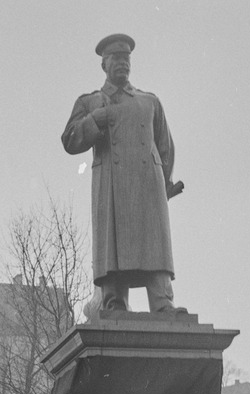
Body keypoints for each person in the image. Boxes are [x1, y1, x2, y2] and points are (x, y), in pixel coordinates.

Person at [61, 33, 186, 314]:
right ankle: (113, 300)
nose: (122, 63)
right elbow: (69, 140)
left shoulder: (149, 101)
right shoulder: (90, 102)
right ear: (103, 64)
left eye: (126, 58)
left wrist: (162, 185)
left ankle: (162, 300)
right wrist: (94, 120)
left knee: (154, 244)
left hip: (148, 187)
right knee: (112, 246)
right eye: (116, 58)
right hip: (111, 188)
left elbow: (165, 147)